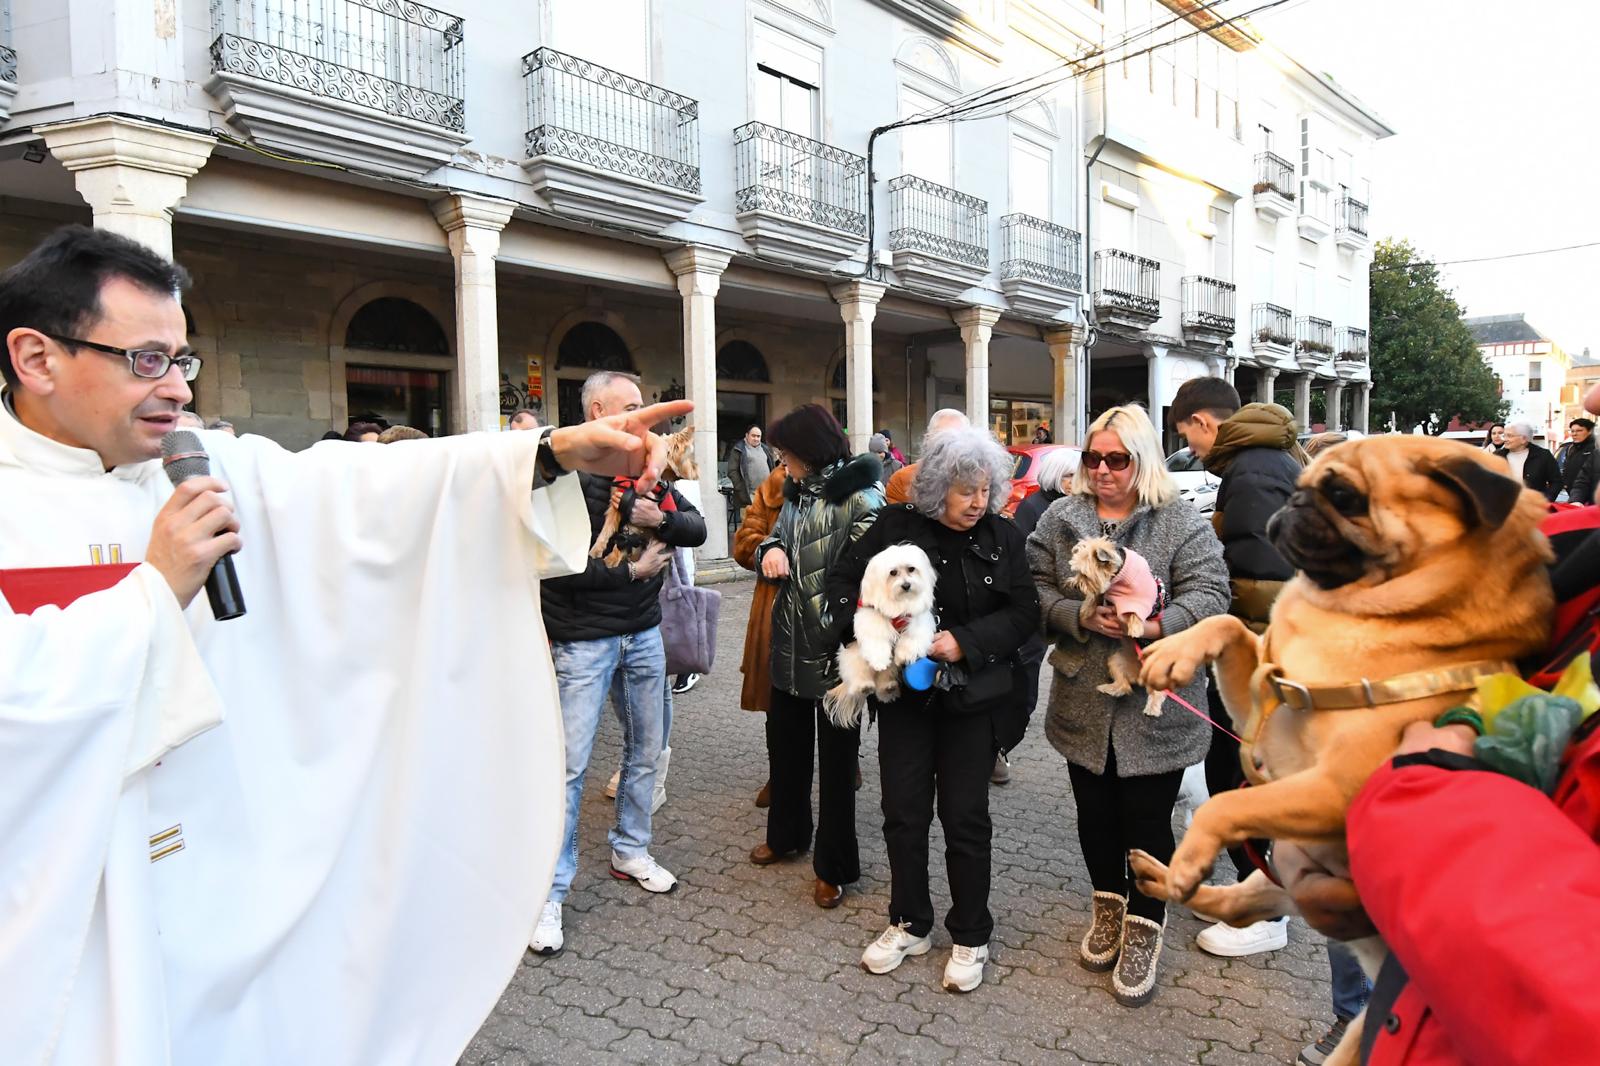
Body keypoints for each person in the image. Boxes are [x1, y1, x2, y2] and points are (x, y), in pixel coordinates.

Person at [0, 225, 690, 1065]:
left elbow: (366, 490)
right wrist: (157, 589)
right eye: (147, 361)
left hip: (224, 869)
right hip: (67, 903)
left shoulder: (202, 466)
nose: (177, 389)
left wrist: (544, 454)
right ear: (36, 358)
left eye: (185, 361)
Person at [1027, 403, 1229, 1007]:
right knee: (1095, 820)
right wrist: (1079, 614)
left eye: (1117, 459)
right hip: (1083, 696)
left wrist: (1158, 623)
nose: (1105, 470)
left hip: (1157, 704)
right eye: (1094, 458)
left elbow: (1214, 591)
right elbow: (1032, 586)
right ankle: (1108, 909)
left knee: (1145, 823)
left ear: (1141, 460)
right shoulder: (1062, 518)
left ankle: (1146, 927)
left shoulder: (1179, 522)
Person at [827, 428, 1039, 992]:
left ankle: (971, 933)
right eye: (965, 490)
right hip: (906, 699)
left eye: (985, 489)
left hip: (971, 698)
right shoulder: (897, 528)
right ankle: (910, 921)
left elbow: (1024, 613)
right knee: (903, 811)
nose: (977, 501)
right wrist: (875, 621)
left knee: (966, 817)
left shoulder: (1003, 535)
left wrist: (964, 640)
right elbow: (844, 582)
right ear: (939, 487)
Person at [532, 370, 707, 957]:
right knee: (569, 766)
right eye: (634, 407)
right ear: (599, 410)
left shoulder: (647, 474)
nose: (646, 420)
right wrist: (629, 572)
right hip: (583, 640)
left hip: (644, 634)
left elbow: (696, 527)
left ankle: (630, 849)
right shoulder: (558, 477)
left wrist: (661, 521)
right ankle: (549, 891)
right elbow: (556, 564)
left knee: (646, 749)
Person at [1168, 377, 1306, 959]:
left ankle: (1262, 911)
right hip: (1277, 652)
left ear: (1204, 423)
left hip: (1256, 662)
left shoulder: (1249, 473)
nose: (1193, 452)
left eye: (1189, 438)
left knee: (1241, 777)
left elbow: (1258, 581)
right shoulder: (1273, 459)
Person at [751, 403, 883, 909]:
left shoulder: (862, 498)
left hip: (837, 655)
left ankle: (834, 866)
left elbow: (864, 580)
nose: (780, 462)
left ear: (810, 449)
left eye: (785, 453)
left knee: (837, 765)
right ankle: (785, 837)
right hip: (787, 646)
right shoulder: (796, 494)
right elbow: (774, 538)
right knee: (785, 754)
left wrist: (834, 630)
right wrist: (770, 552)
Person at [734, 466, 787, 808]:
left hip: (824, 611)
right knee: (776, 701)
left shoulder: (843, 488)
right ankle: (779, 774)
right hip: (774, 607)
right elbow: (744, 540)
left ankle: (847, 762)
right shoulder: (772, 488)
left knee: (831, 698)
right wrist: (765, 550)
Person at [885, 409, 969, 505]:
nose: (948, 446)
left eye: (957, 439)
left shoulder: (982, 481)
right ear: (928, 439)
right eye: (941, 438)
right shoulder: (902, 480)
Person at [1012, 447, 1079, 538]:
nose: (1074, 481)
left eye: (1078, 475)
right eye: (1069, 475)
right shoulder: (1030, 507)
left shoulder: (1077, 503)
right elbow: (1019, 546)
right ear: (1054, 475)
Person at [1496, 420, 1561, 501]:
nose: (1505, 439)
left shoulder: (1543, 455)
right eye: (1504, 435)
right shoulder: (1496, 456)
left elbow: (1556, 482)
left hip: (1534, 506)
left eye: (1509, 436)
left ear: (1524, 439)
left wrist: (1546, 500)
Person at [725, 424, 775, 520]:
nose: (756, 439)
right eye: (753, 436)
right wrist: (741, 488)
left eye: (758, 436)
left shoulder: (765, 449)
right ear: (747, 435)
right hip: (749, 496)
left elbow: (772, 467)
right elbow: (732, 471)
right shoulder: (738, 449)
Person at [1558, 417, 1595, 504]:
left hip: (1591, 499)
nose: (1574, 434)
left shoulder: (1595, 448)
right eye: (1572, 431)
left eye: (1579, 430)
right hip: (1574, 496)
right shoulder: (1570, 448)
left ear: (1589, 431)